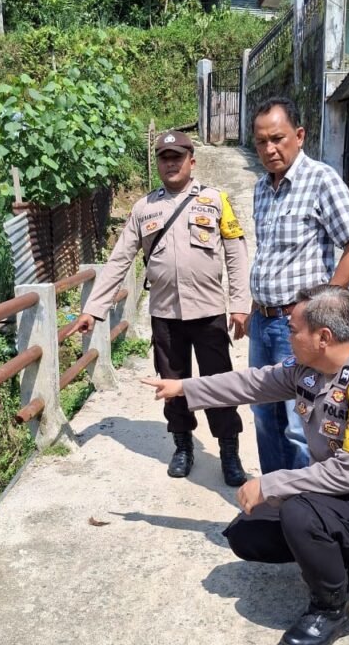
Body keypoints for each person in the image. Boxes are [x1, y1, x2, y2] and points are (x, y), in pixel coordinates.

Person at [142, 284, 349, 645]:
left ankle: (331, 609)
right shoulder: (309, 370)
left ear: (323, 337)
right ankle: (340, 561)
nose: (287, 335)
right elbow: (252, 383)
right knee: (247, 532)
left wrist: (270, 483)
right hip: (338, 500)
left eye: (293, 329)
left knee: (298, 513)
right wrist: (183, 388)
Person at [73, 130, 251, 486]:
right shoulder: (144, 208)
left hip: (209, 311)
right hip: (165, 315)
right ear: (158, 164)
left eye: (178, 157)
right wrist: (94, 309)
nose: (171, 163)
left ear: (192, 161)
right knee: (171, 383)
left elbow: (236, 253)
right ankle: (182, 444)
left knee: (219, 383)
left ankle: (229, 450)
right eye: (164, 158)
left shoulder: (216, 201)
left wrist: (240, 304)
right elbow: (119, 259)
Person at [249, 96, 349, 475]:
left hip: (299, 327)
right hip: (262, 321)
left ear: (299, 136)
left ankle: (302, 510)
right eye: (261, 142)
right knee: (264, 415)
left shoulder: (321, 180)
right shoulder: (260, 189)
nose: (270, 149)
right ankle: (272, 500)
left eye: (278, 138)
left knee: (299, 421)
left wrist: (322, 305)